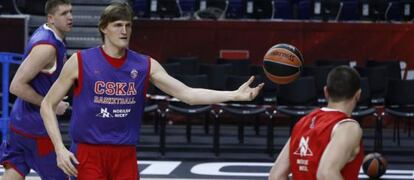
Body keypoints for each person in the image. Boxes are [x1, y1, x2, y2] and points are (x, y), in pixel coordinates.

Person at [40, 2, 264, 179]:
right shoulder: (80, 61)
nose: (124, 30)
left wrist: (235, 95)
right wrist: (59, 148)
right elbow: (47, 105)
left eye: (128, 25)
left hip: (125, 154)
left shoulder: (145, 64)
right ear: (104, 28)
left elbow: (188, 94)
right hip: (88, 153)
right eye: (118, 25)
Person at [0, 0, 72, 179]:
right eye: (64, 14)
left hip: (20, 123)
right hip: (36, 128)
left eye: (70, 12)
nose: (70, 17)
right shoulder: (46, 48)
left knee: (16, 169)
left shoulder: (49, 33)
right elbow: (16, 86)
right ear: (51, 18)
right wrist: (51, 105)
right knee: (62, 175)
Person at [268, 66, 364, 180]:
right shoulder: (348, 127)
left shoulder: (302, 122)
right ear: (358, 94)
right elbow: (326, 174)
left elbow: (276, 175)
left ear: (325, 91)